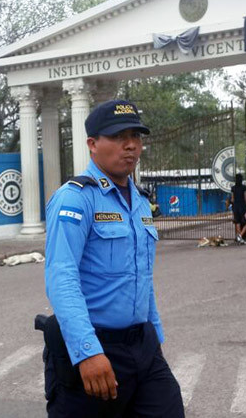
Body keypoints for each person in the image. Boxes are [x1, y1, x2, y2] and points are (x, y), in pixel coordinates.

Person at [43, 99, 184, 418]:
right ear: (92, 144)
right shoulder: (76, 198)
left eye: (136, 136)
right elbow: (61, 276)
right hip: (96, 346)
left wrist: (156, 338)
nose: (131, 145)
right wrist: (87, 352)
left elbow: (142, 277)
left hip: (143, 347)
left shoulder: (140, 202)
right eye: (119, 136)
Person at [228, 173, 246, 244]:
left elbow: (232, 199)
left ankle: (239, 238)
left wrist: (229, 202)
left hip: (235, 207)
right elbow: (245, 198)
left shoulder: (233, 188)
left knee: (237, 222)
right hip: (242, 206)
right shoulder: (244, 188)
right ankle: (240, 236)